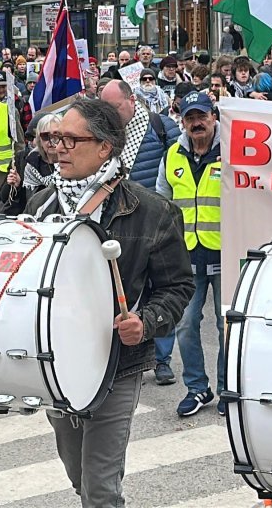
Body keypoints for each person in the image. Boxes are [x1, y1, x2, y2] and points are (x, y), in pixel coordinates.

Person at [26, 98, 192, 508]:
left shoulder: (152, 211)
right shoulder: (39, 207)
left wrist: (146, 321)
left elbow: (177, 287)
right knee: (78, 474)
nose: (57, 148)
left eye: (69, 139)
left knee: (100, 486)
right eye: (53, 138)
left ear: (104, 147)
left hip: (117, 364)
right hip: (56, 365)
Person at [97, 79, 181, 385]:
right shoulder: (104, 134)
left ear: (132, 101)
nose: (111, 113)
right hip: (123, 223)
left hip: (156, 220)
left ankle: (162, 359)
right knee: (130, 293)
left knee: (162, 288)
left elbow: (177, 164)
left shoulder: (161, 127)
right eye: (105, 107)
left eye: (115, 106)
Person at [155, 91, 225, 417]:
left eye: (202, 116)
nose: (197, 123)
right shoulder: (172, 155)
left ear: (214, 116)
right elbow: (162, 204)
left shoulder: (236, 150)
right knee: (185, 324)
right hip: (186, 257)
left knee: (229, 327)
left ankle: (228, 390)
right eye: (190, 118)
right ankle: (198, 388)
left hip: (226, 252)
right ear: (182, 121)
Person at [0, 111, 61, 216]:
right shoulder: (30, 163)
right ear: (39, 140)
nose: (50, 141)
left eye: (55, 136)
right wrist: (18, 187)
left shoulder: (72, 161)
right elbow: (24, 203)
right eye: (45, 136)